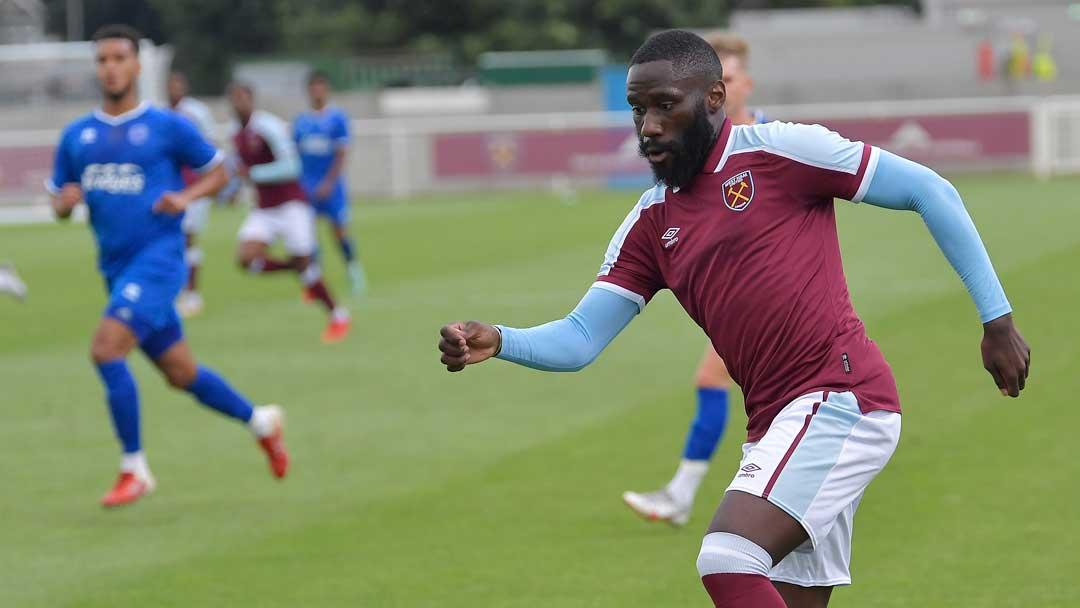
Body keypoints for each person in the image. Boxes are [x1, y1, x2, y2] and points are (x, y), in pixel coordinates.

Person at [437, 30, 1029, 607]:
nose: (648, 127)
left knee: (727, 557)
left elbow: (931, 191)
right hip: (774, 424)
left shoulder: (780, 151)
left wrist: (996, 321)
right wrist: (500, 339)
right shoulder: (650, 223)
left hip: (841, 398)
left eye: (665, 106)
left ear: (713, 99)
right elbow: (582, 337)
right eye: (638, 110)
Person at [47, 25, 290, 508]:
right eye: (102, 60)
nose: (110, 67)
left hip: (158, 263)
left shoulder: (165, 126)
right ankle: (261, 421)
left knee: (105, 350)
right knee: (180, 373)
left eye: (119, 57)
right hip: (116, 269)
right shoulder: (78, 136)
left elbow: (222, 171)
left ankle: (133, 467)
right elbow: (60, 199)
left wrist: (185, 196)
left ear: (137, 66)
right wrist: (64, 203)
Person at [622, 31, 770, 527]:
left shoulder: (774, 143)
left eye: (729, 80)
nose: (722, 91)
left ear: (743, 85)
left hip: (767, 300)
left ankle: (688, 495)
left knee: (723, 382)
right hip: (726, 300)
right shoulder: (693, 153)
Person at [227, 82, 351, 343]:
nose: (238, 103)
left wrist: (253, 174)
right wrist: (233, 190)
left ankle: (338, 315)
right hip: (264, 208)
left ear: (251, 99)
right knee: (246, 259)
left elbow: (292, 167)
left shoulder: (268, 126)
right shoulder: (234, 133)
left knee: (306, 263)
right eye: (234, 99)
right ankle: (294, 267)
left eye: (242, 98)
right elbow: (239, 168)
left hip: (292, 204)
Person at [294, 70, 367, 294]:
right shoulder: (301, 122)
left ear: (326, 90)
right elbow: (294, 154)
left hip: (332, 187)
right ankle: (314, 283)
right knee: (307, 235)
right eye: (313, 87)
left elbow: (341, 154)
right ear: (308, 91)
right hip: (306, 186)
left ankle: (354, 271)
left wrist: (328, 182)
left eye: (320, 87)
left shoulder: (337, 119)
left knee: (339, 231)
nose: (317, 91)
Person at [167, 70, 217, 318]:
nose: (174, 88)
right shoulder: (161, 113)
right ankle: (176, 292)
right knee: (172, 240)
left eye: (178, 84)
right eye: (171, 84)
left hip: (195, 187)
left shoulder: (196, 113)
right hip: (170, 188)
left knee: (188, 238)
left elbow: (210, 147)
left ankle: (193, 294)